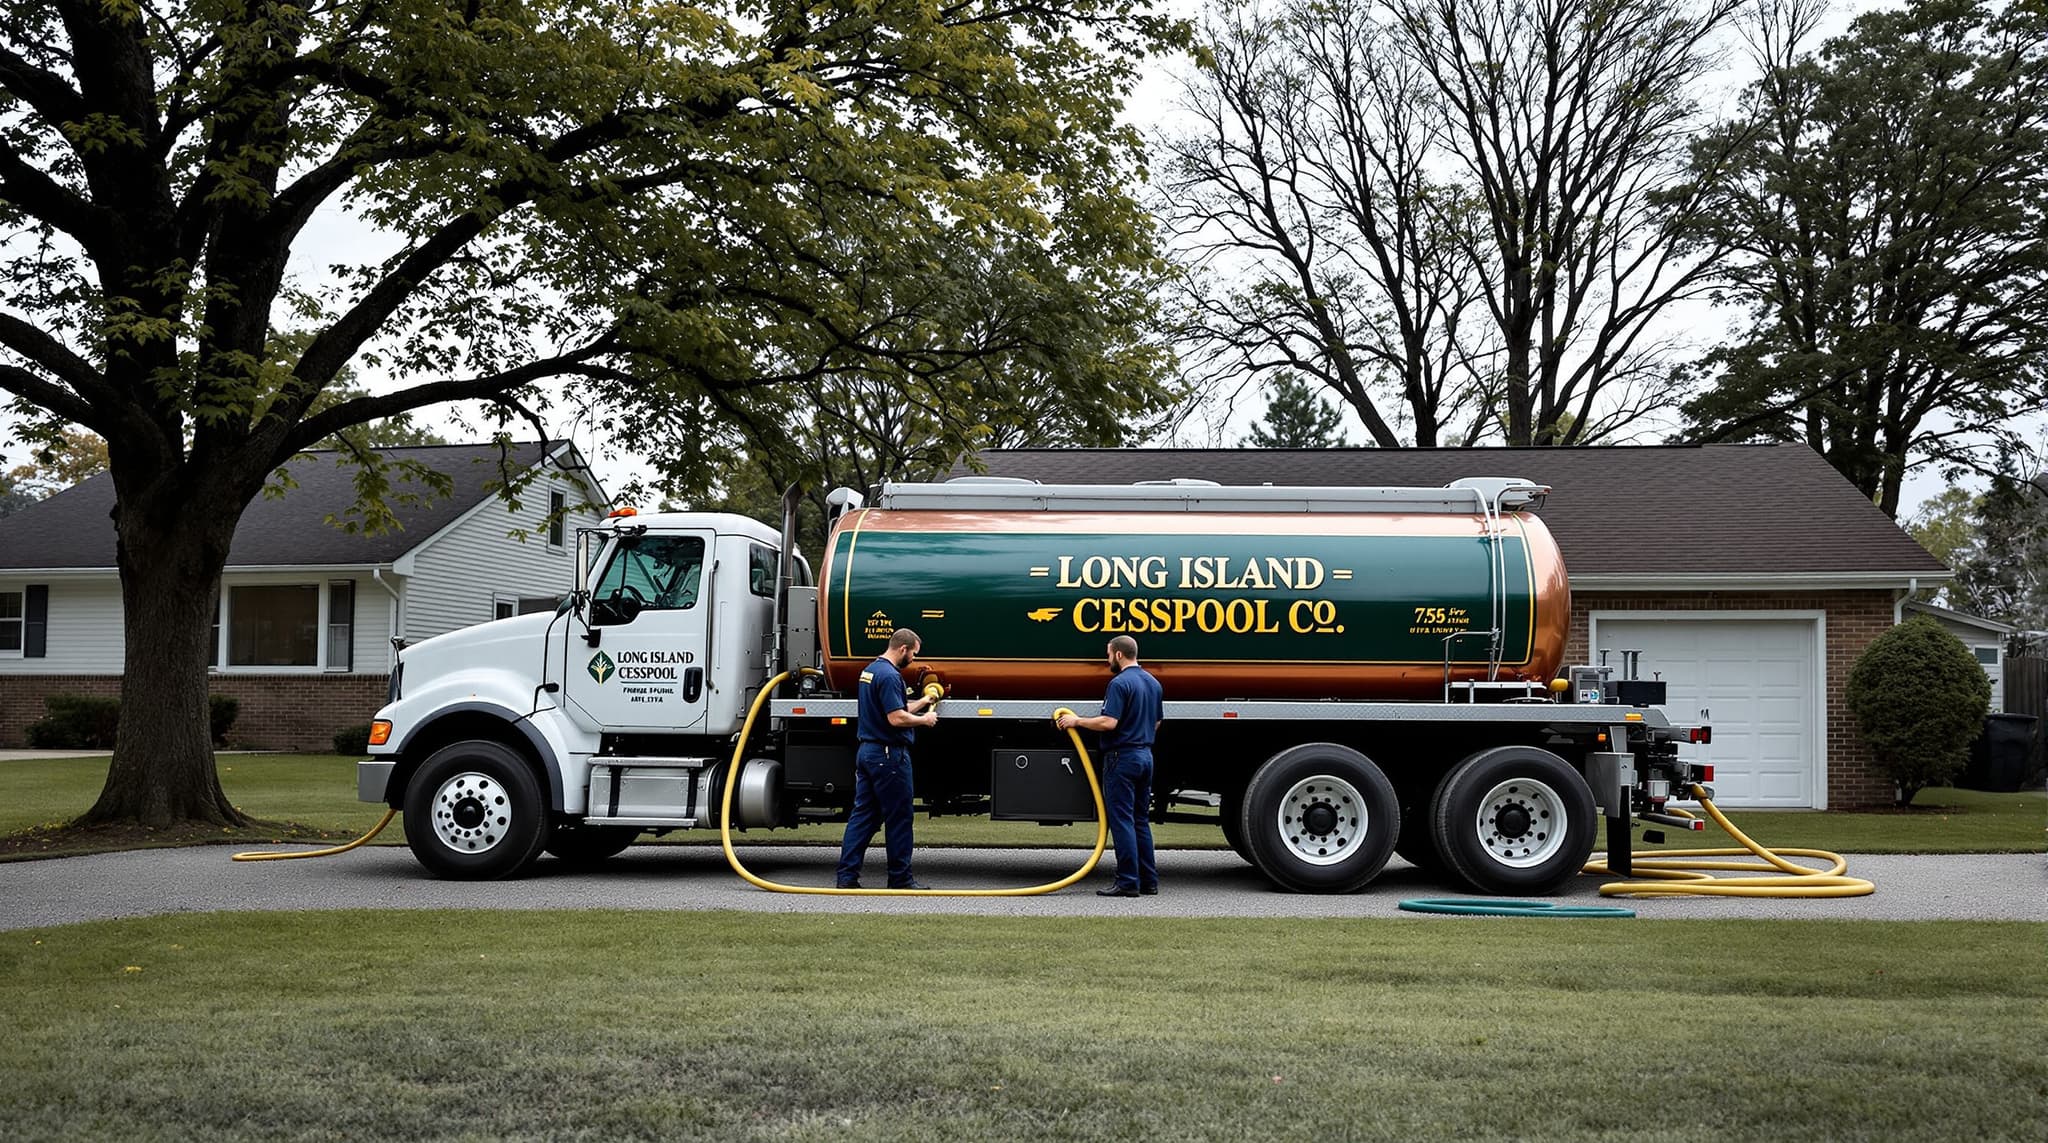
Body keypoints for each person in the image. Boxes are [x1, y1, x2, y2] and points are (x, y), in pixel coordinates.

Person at [1057, 635, 1162, 898]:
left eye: (1108, 654)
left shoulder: (1119, 683)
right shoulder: (1153, 682)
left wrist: (1076, 721)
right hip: (1146, 756)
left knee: (1122, 820)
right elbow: (1157, 722)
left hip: (1122, 757)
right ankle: (1149, 881)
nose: (1107, 660)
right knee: (1140, 820)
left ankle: (1127, 882)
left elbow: (1109, 722)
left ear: (1118, 654)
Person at [836, 628, 939, 890]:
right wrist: (925, 720)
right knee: (899, 818)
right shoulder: (891, 676)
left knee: (863, 817)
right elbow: (896, 718)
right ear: (903, 649)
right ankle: (900, 879)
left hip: (868, 752)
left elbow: (896, 706)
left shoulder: (870, 671)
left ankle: (846, 877)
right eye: (914, 654)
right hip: (888, 756)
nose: (914, 659)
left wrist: (924, 700)